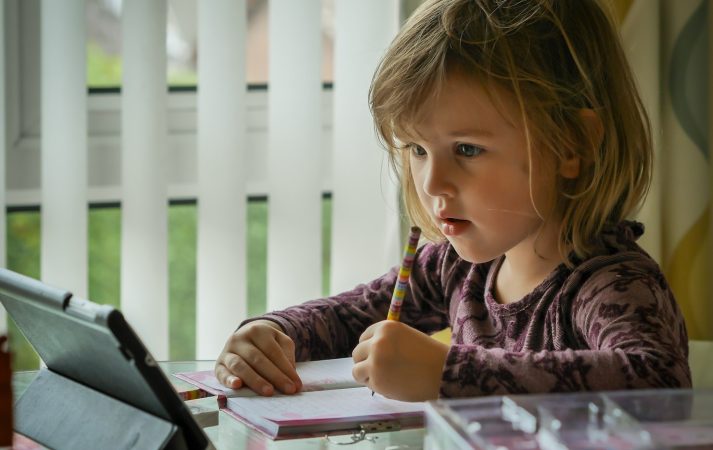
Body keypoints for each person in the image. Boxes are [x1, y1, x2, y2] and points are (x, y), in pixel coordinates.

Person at [214, 0, 691, 401]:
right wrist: (271, 334)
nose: (432, 182)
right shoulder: (452, 269)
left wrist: (449, 372)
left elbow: (659, 382)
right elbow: (343, 318)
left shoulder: (611, 283)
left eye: (467, 149)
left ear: (572, 146)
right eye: (418, 150)